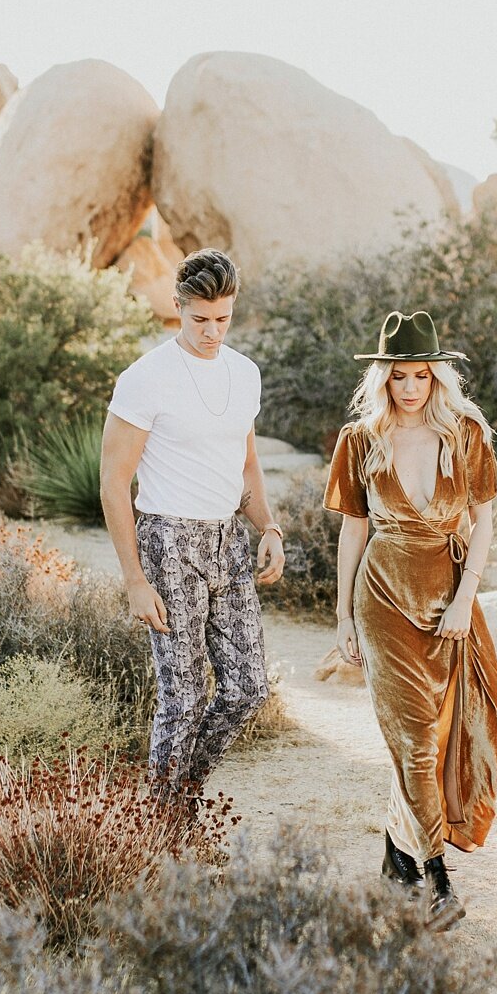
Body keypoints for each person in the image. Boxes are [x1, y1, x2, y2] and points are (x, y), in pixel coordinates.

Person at [325, 310, 497, 931]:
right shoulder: (360, 441)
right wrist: (342, 615)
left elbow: (483, 522)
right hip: (383, 602)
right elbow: (353, 529)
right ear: (383, 378)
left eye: (420, 376)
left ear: (436, 379)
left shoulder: (466, 436)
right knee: (415, 744)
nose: (408, 388)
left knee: (445, 735)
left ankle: (396, 861)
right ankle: (437, 879)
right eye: (398, 376)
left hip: (448, 602)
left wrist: (464, 599)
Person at [100, 248, 286, 794]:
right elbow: (114, 483)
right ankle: (162, 822)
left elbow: (246, 461)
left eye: (223, 319)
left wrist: (268, 527)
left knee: (249, 688)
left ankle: (184, 791)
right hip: (168, 540)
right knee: (183, 695)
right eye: (200, 319)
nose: (212, 332)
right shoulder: (145, 377)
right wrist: (135, 579)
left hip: (228, 539)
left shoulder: (244, 373)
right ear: (178, 306)